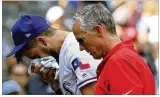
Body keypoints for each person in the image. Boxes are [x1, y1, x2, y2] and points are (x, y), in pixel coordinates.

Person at [71, 3, 155, 94]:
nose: (81, 48)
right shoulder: (120, 58)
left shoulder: (120, 61)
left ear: (98, 31)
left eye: (81, 40)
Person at [6, 15, 100, 95]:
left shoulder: (76, 50)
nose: (38, 62)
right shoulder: (64, 51)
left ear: (42, 41)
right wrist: (56, 86)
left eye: (36, 57)